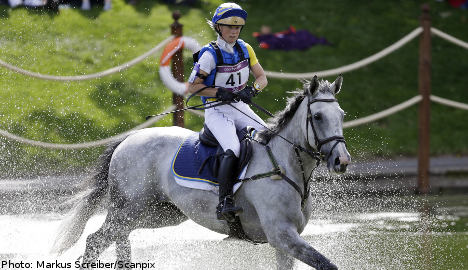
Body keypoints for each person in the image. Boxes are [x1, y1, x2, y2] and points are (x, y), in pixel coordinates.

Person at [187, 3, 268, 222]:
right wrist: (218, 91)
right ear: (218, 27)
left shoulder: (245, 49)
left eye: (238, 28)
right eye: (229, 27)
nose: (234, 32)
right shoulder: (209, 54)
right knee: (232, 147)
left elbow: (262, 77)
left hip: (240, 107)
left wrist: (253, 90)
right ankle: (225, 202)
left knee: (269, 136)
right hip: (216, 109)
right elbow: (193, 87)